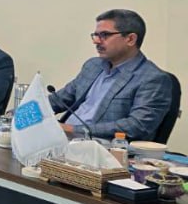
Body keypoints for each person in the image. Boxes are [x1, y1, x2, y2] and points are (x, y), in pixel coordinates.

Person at [49, 9, 175, 140]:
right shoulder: (93, 66)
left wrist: (73, 129)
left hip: (101, 146)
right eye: (96, 35)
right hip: (63, 138)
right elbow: (58, 100)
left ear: (130, 39)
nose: (96, 41)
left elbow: (136, 126)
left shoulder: (153, 78)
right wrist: (34, 111)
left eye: (104, 35)